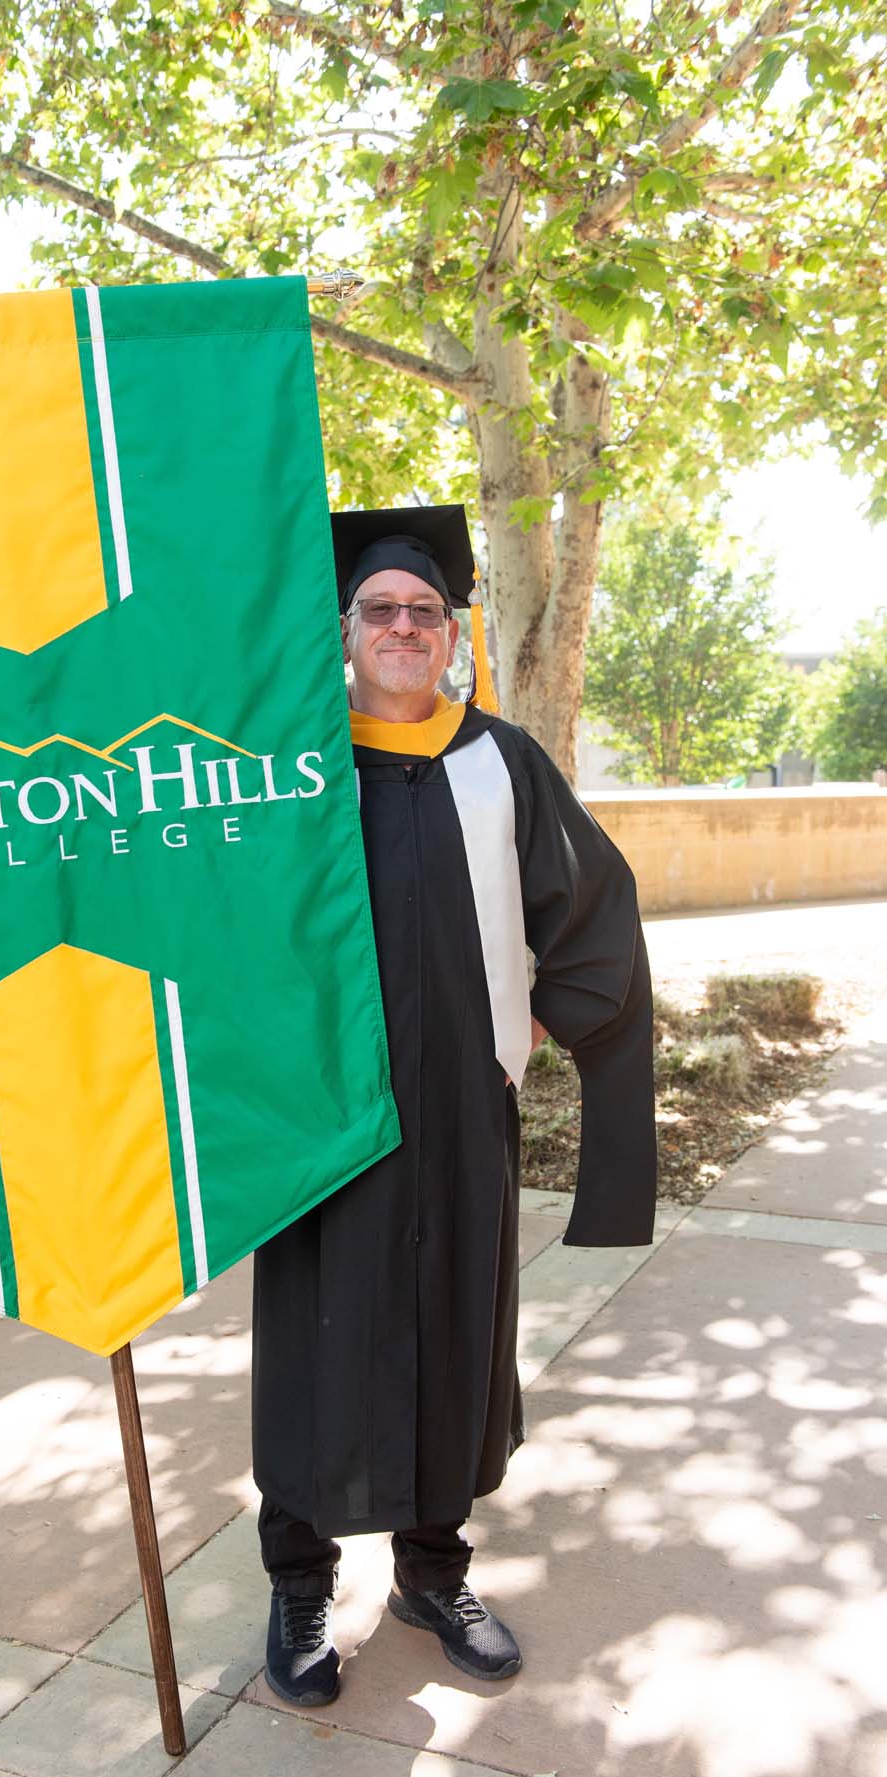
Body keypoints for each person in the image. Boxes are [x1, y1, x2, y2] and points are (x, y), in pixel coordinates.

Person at [253, 505, 657, 1707]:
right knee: (315, 1345)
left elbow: (589, 903)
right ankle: (298, 1579)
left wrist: (542, 1015)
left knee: (455, 1333)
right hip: (326, 1116)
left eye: (425, 610)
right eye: (380, 608)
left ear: (451, 630)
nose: (403, 627)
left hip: (465, 1112)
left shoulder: (501, 761)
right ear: (346, 629)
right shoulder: (292, 762)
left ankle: (433, 1570)